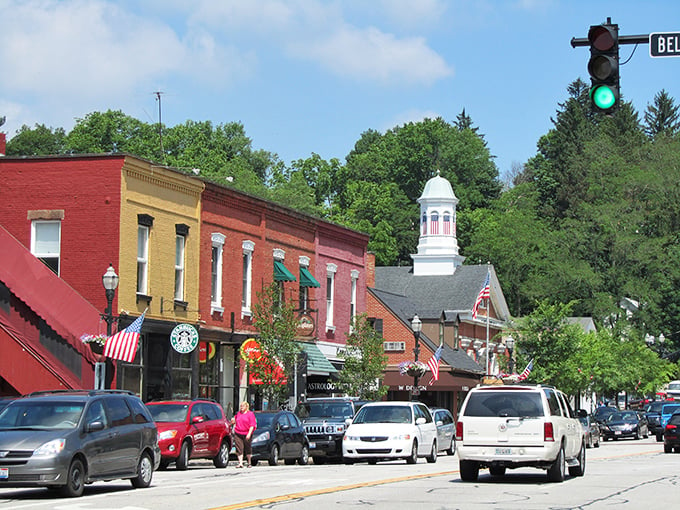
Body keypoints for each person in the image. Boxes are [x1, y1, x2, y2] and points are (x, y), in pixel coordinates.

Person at [231, 401, 256, 468]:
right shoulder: (238, 414)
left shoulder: (250, 414)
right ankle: (240, 463)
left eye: (243, 406)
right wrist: (233, 421)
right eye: (241, 406)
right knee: (239, 448)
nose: (241, 407)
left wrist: (249, 434)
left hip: (246, 433)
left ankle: (249, 462)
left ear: (246, 407)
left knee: (248, 448)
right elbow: (234, 421)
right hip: (238, 432)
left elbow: (252, 425)